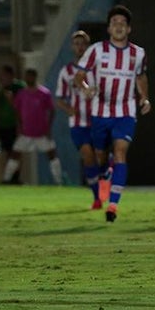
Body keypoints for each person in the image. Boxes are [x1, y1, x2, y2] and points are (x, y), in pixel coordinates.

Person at [74, 5, 150, 222]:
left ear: (128, 29)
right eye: (115, 23)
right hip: (100, 112)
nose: (118, 27)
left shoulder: (138, 53)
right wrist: (86, 87)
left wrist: (144, 97)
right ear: (109, 28)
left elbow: (141, 77)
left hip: (125, 112)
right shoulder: (96, 50)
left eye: (122, 24)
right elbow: (79, 76)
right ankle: (105, 168)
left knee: (120, 153)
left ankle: (113, 205)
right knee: (100, 157)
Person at [54, 29, 102, 207]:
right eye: (77, 44)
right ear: (72, 47)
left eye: (83, 44)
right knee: (88, 156)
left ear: (88, 47)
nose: (80, 47)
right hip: (78, 122)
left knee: (101, 156)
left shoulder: (97, 69)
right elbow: (59, 98)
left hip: (98, 119)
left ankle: (106, 176)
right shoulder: (66, 71)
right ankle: (97, 198)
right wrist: (69, 109)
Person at [7, 68, 64, 186]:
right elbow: (16, 110)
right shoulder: (22, 94)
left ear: (34, 77)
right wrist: (19, 125)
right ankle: (6, 179)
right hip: (26, 133)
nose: (28, 79)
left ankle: (59, 181)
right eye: (26, 77)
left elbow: (52, 111)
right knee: (15, 154)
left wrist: (48, 128)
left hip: (41, 133)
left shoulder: (44, 93)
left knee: (52, 155)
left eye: (30, 76)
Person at [0, 65, 24, 184]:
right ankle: (10, 177)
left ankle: (14, 178)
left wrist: (12, 100)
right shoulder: (2, 91)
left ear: (10, 75)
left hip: (15, 125)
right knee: (7, 151)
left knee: (15, 151)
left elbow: (21, 106)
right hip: (4, 126)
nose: (1, 78)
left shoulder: (19, 87)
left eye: (3, 75)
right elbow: (0, 110)